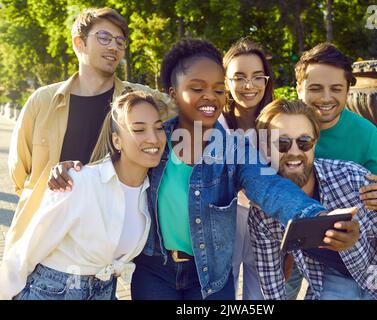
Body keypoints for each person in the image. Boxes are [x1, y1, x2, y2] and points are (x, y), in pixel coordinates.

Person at [49, 38, 357, 300]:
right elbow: (110, 166)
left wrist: (314, 216)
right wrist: (72, 171)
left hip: (211, 277)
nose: (210, 96)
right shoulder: (155, 140)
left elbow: (270, 188)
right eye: (197, 88)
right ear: (172, 92)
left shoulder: (235, 149)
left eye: (218, 88)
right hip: (155, 271)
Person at [6, 7, 175, 252]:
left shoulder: (138, 99)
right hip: (43, 238)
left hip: (104, 244)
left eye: (120, 41)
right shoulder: (42, 101)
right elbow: (20, 173)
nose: (114, 47)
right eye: (104, 38)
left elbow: (188, 109)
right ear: (79, 43)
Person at [249, 99, 377, 300]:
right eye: (281, 143)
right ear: (263, 147)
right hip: (333, 280)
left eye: (304, 142)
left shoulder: (352, 179)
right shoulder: (261, 213)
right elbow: (271, 281)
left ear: (315, 143)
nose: (295, 151)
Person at [0, 91, 167, 300]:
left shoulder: (151, 191)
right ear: (117, 141)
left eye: (159, 128)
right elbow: (26, 250)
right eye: (139, 129)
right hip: (52, 292)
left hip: (104, 292)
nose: (153, 138)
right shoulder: (79, 182)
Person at [284, 42, 377, 299]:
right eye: (315, 88)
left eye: (336, 89)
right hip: (289, 239)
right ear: (299, 88)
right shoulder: (282, 126)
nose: (326, 98)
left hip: (341, 250)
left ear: (348, 90)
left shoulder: (366, 134)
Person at [220, 37, 274, 300]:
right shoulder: (214, 123)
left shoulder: (279, 121)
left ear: (266, 80)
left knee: (260, 295)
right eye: (239, 77)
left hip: (266, 220)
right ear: (226, 82)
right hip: (225, 218)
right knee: (223, 289)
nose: (249, 85)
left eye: (257, 76)